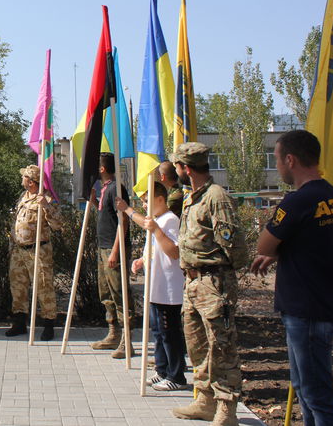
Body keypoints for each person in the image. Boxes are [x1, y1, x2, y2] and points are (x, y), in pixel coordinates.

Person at [250, 130, 333, 426]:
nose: (277, 166)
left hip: (306, 311)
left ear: (290, 159)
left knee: (316, 395)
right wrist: (280, 252)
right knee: (306, 391)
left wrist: (273, 247)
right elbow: (320, 244)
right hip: (323, 304)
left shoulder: (297, 201)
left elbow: (263, 244)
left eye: (276, 160)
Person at [170, 142, 244, 426]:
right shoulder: (192, 197)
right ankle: (204, 400)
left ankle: (226, 408)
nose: (177, 170)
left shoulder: (216, 198)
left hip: (214, 283)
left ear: (186, 168)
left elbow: (235, 248)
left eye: (178, 165)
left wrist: (220, 276)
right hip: (192, 283)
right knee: (197, 345)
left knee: (222, 347)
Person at [117, 182, 187, 391]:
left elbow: (174, 251)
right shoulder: (158, 221)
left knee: (169, 332)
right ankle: (162, 370)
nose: (145, 206)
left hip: (168, 289)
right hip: (156, 287)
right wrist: (141, 260)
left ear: (160, 199)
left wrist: (152, 228)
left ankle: (177, 375)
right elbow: (154, 248)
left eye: (147, 201)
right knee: (158, 330)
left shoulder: (170, 220)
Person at [4, 164, 64, 341]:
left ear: (31, 181)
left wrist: (46, 206)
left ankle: (48, 325)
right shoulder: (23, 197)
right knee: (18, 287)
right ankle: (19, 322)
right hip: (18, 251)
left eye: (24, 177)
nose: (22, 179)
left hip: (38, 251)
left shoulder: (45, 199)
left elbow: (58, 224)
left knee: (44, 287)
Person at [90, 152, 135, 359]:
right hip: (103, 248)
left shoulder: (117, 189)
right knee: (106, 293)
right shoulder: (105, 189)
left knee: (120, 294)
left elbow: (123, 221)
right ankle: (113, 333)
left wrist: (116, 251)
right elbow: (106, 215)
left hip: (113, 249)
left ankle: (127, 340)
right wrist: (93, 202)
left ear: (101, 169)